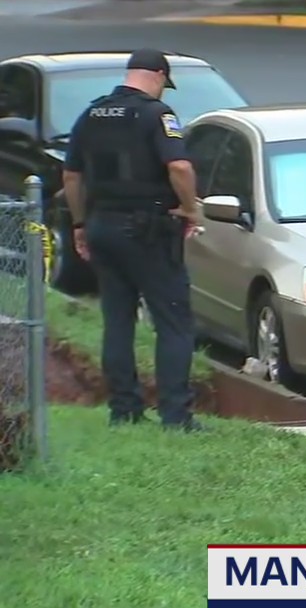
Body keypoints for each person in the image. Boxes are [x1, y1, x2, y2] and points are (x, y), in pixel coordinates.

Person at [60, 48, 203, 431]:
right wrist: (191, 209)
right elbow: (179, 166)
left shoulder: (90, 114)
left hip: (102, 226)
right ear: (158, 75)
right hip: (148, 229)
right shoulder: (157, 115)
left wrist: (79, 225)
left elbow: (71, 177)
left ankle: (124, 410)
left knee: (117, 320)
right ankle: (176, 416)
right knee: (174, 320)